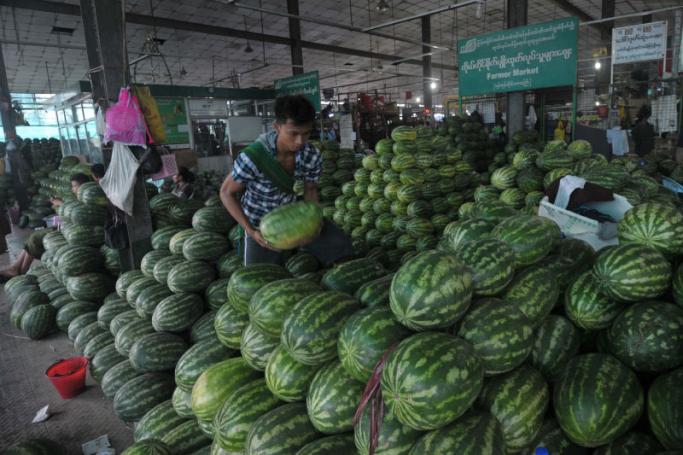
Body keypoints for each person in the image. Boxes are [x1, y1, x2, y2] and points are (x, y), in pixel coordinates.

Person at [220, 95, 354, 266]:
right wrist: (250, 231)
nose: (300, 141)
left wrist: (315, 221)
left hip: (294, 215)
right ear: (277, 127)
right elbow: (226, 193)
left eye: (306, 134)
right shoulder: (253, 157)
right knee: (259, 278)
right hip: (261, 225)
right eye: (293, 134)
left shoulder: (311, 155)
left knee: (340, 246)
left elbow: (310, 189)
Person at [0, 173, 91, 280]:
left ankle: (19, 270)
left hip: (73, 232)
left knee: (35, 239)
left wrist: (61, 203)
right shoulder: (80, 196)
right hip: (66, 228)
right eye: (72, 186)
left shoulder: (88, 197)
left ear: (83, 185)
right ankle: (17, 268)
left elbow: (78, 214)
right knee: (32, 238)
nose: (72, 189)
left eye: (75, 186)